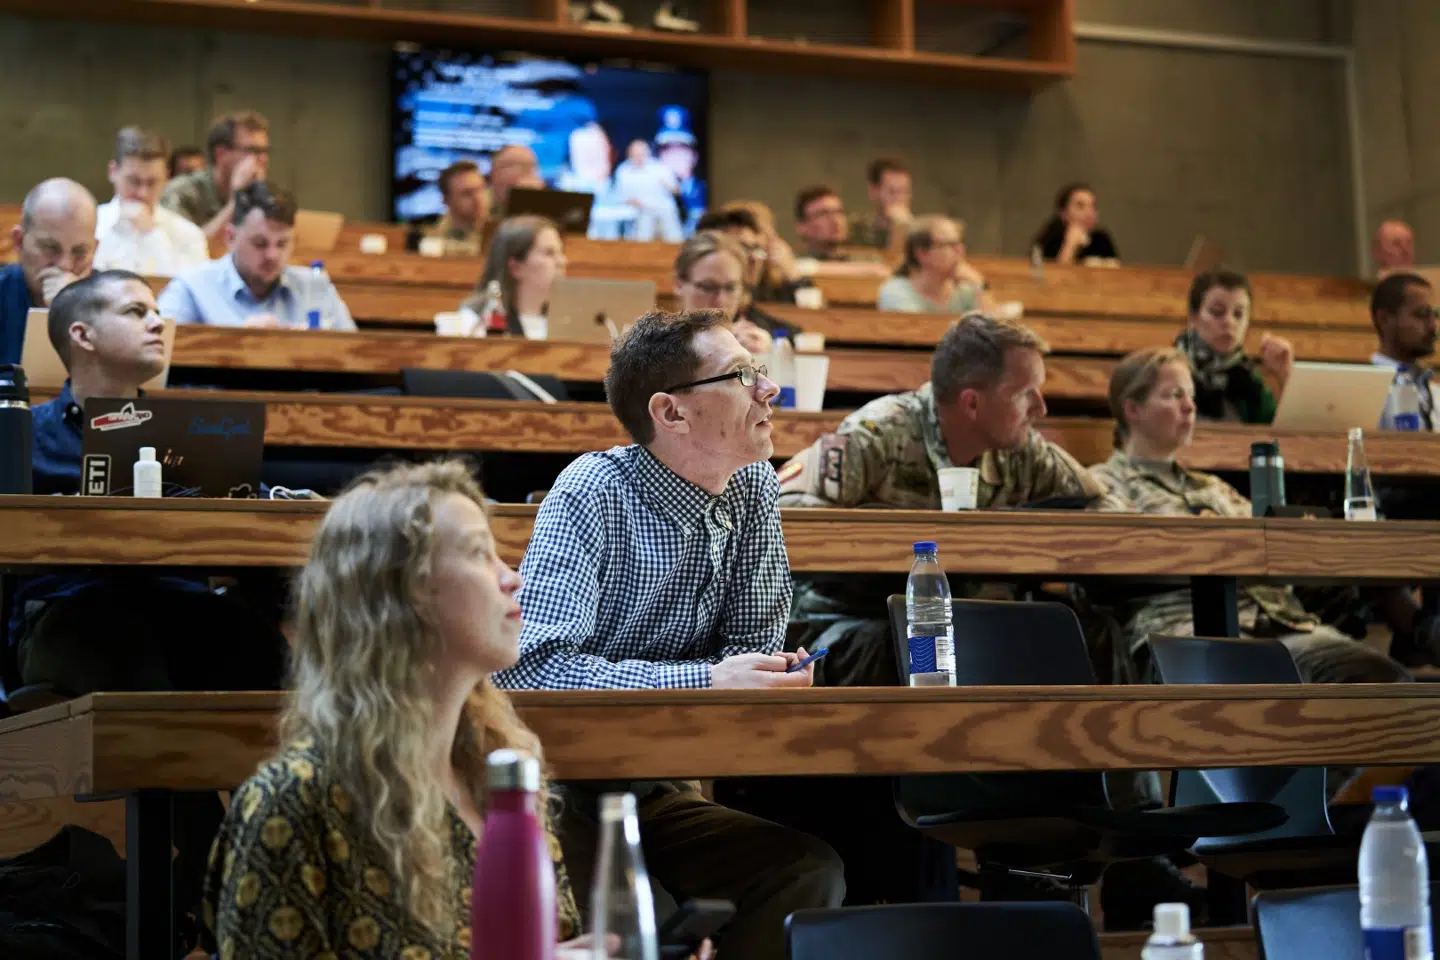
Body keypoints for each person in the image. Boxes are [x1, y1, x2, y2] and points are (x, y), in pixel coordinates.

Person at [203, 461, 663, 959]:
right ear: (400, 593)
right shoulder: (291, 802)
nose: (513, 580)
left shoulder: (504, 776)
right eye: (478, 554)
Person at [494, 310, 845, 959]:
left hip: (657, 780)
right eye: (744, 377)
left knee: (805, 870)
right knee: (640, 923)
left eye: (760, 373)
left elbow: (748, 651)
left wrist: (767, 672)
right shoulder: (590, 492)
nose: (769, 391)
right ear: (671, 412)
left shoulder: (754, 484)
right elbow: (528, 668)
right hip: (558, 786)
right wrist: (707, 679)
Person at [14, 269, 288, 933]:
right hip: (68, 619)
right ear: (81, 334)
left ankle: (288, 860)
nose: (158, 321)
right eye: (136, 310)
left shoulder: (198, 429)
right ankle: (215, 880)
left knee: (267, 653)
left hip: (180, 609)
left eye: (159, 310)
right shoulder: (25, 434)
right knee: (125, 647)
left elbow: (249, 530)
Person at [1090, 346, 1413, 687]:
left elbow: (1268, 547)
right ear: (1133, 409)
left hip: (1280, 622)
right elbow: (1109, 570)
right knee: (1264, 677)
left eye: (1192, 395)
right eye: (1174, 395)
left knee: (1387, 681)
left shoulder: (1213, 487)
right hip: (1185, 629)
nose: (1190, 406)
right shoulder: (1103, 484)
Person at [157, 182, 355, 330]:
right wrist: (237, 343)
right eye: (259, 243)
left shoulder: (315, 286)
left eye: (282, 244)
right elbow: (159, 355)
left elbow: (354, 355)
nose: (272, 255)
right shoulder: (193, 286)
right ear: (230, 237)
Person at [1174, 269, 1293, 424]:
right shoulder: (1167, 372)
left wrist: (1285, 376)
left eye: (1238, 314)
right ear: (1193, 317)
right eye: (1217, 312)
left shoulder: (1250, 380)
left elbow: (1282, 439)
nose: (1229, 322)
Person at [0, 178, 97, 366]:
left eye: (79, 252)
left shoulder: (112, 301)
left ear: (95, 250)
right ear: (18, 241)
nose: (65, 265)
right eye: (50, 248)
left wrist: (70, 310)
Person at [93, 126, 209, 277]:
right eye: (134, 181)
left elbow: (193, 292)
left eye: (152, 182)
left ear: (167, 178)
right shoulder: (92, 224)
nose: (143, 193)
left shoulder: (189, 235)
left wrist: (152, 236)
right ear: (113, 172)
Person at [161, 110, 270, 242]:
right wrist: (236, 202)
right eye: (253, 151)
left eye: (265, 151)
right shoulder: (183, 191)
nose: (263, 159)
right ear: (221, 154)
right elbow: (186, 251)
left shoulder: (260, 193)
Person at [674, 227, 782, 354]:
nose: (721, 301)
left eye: (731, 288)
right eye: (708, 287)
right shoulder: (656, 347)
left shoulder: (750, 343)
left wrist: (766, 354)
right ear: (679, 285)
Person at [459, 215, 567, 339]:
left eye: (561, 252)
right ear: (516, 267)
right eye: (549, 253)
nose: (562, 261)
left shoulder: (567, 321)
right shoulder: (474, 320)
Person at [1370, 272, 1437, 431]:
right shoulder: (1363, 393)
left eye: (1435, 315)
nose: (1434, 326)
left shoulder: (1436, 393)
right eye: (1421, 315)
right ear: (1384, 319)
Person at [876, 216, 982, 314]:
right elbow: (915, 331)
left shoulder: (965, 291)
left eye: (959, 243)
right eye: (950, 244)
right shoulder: (896, 291)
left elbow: (993, 330)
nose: (960, 251)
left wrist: (980, 287)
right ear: (921, 254)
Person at [414, 160, 491, 257]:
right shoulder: (432, 244)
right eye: (467, 193)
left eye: (480, 189)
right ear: (447, 200)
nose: (478, 198)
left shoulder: (498, 234)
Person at [1032, 182, 1119, 265]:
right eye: (1080, 206)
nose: (1089, 213)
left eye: (1093, 206)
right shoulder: (1050, 241)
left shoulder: (1102, 240)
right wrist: (1070, 245)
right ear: (1064, 213)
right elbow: (1053, 275)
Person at [614, 139, 683, 242]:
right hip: (641, 211)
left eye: (641, 153)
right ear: (629, 154)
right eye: (635, 153)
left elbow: (677, 190)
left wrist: (668, 186)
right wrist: (635, 202)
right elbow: (621, 195)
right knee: (643, 237)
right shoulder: (623, 171)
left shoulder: (660, 167)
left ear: (648, 152)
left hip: (665, 209)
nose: (638, 156)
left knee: (674, 238)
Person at [849, 156, 912, 251]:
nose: (899, 198)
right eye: (892, 191)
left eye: (904, 191)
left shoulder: (920, 233)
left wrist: (902, 227)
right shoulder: (856, 227)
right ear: (873, 191)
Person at [793, 185, 850, 261]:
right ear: (801, 227)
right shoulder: (796, 266)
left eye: (839, 212)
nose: (835, 220)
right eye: (823, 214)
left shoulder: (861, 264)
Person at [489, 144, 541, 213]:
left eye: (532, 165)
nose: (528, 171)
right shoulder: (479, 200)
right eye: (519, 165)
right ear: (494, 171)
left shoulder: (545, 201)